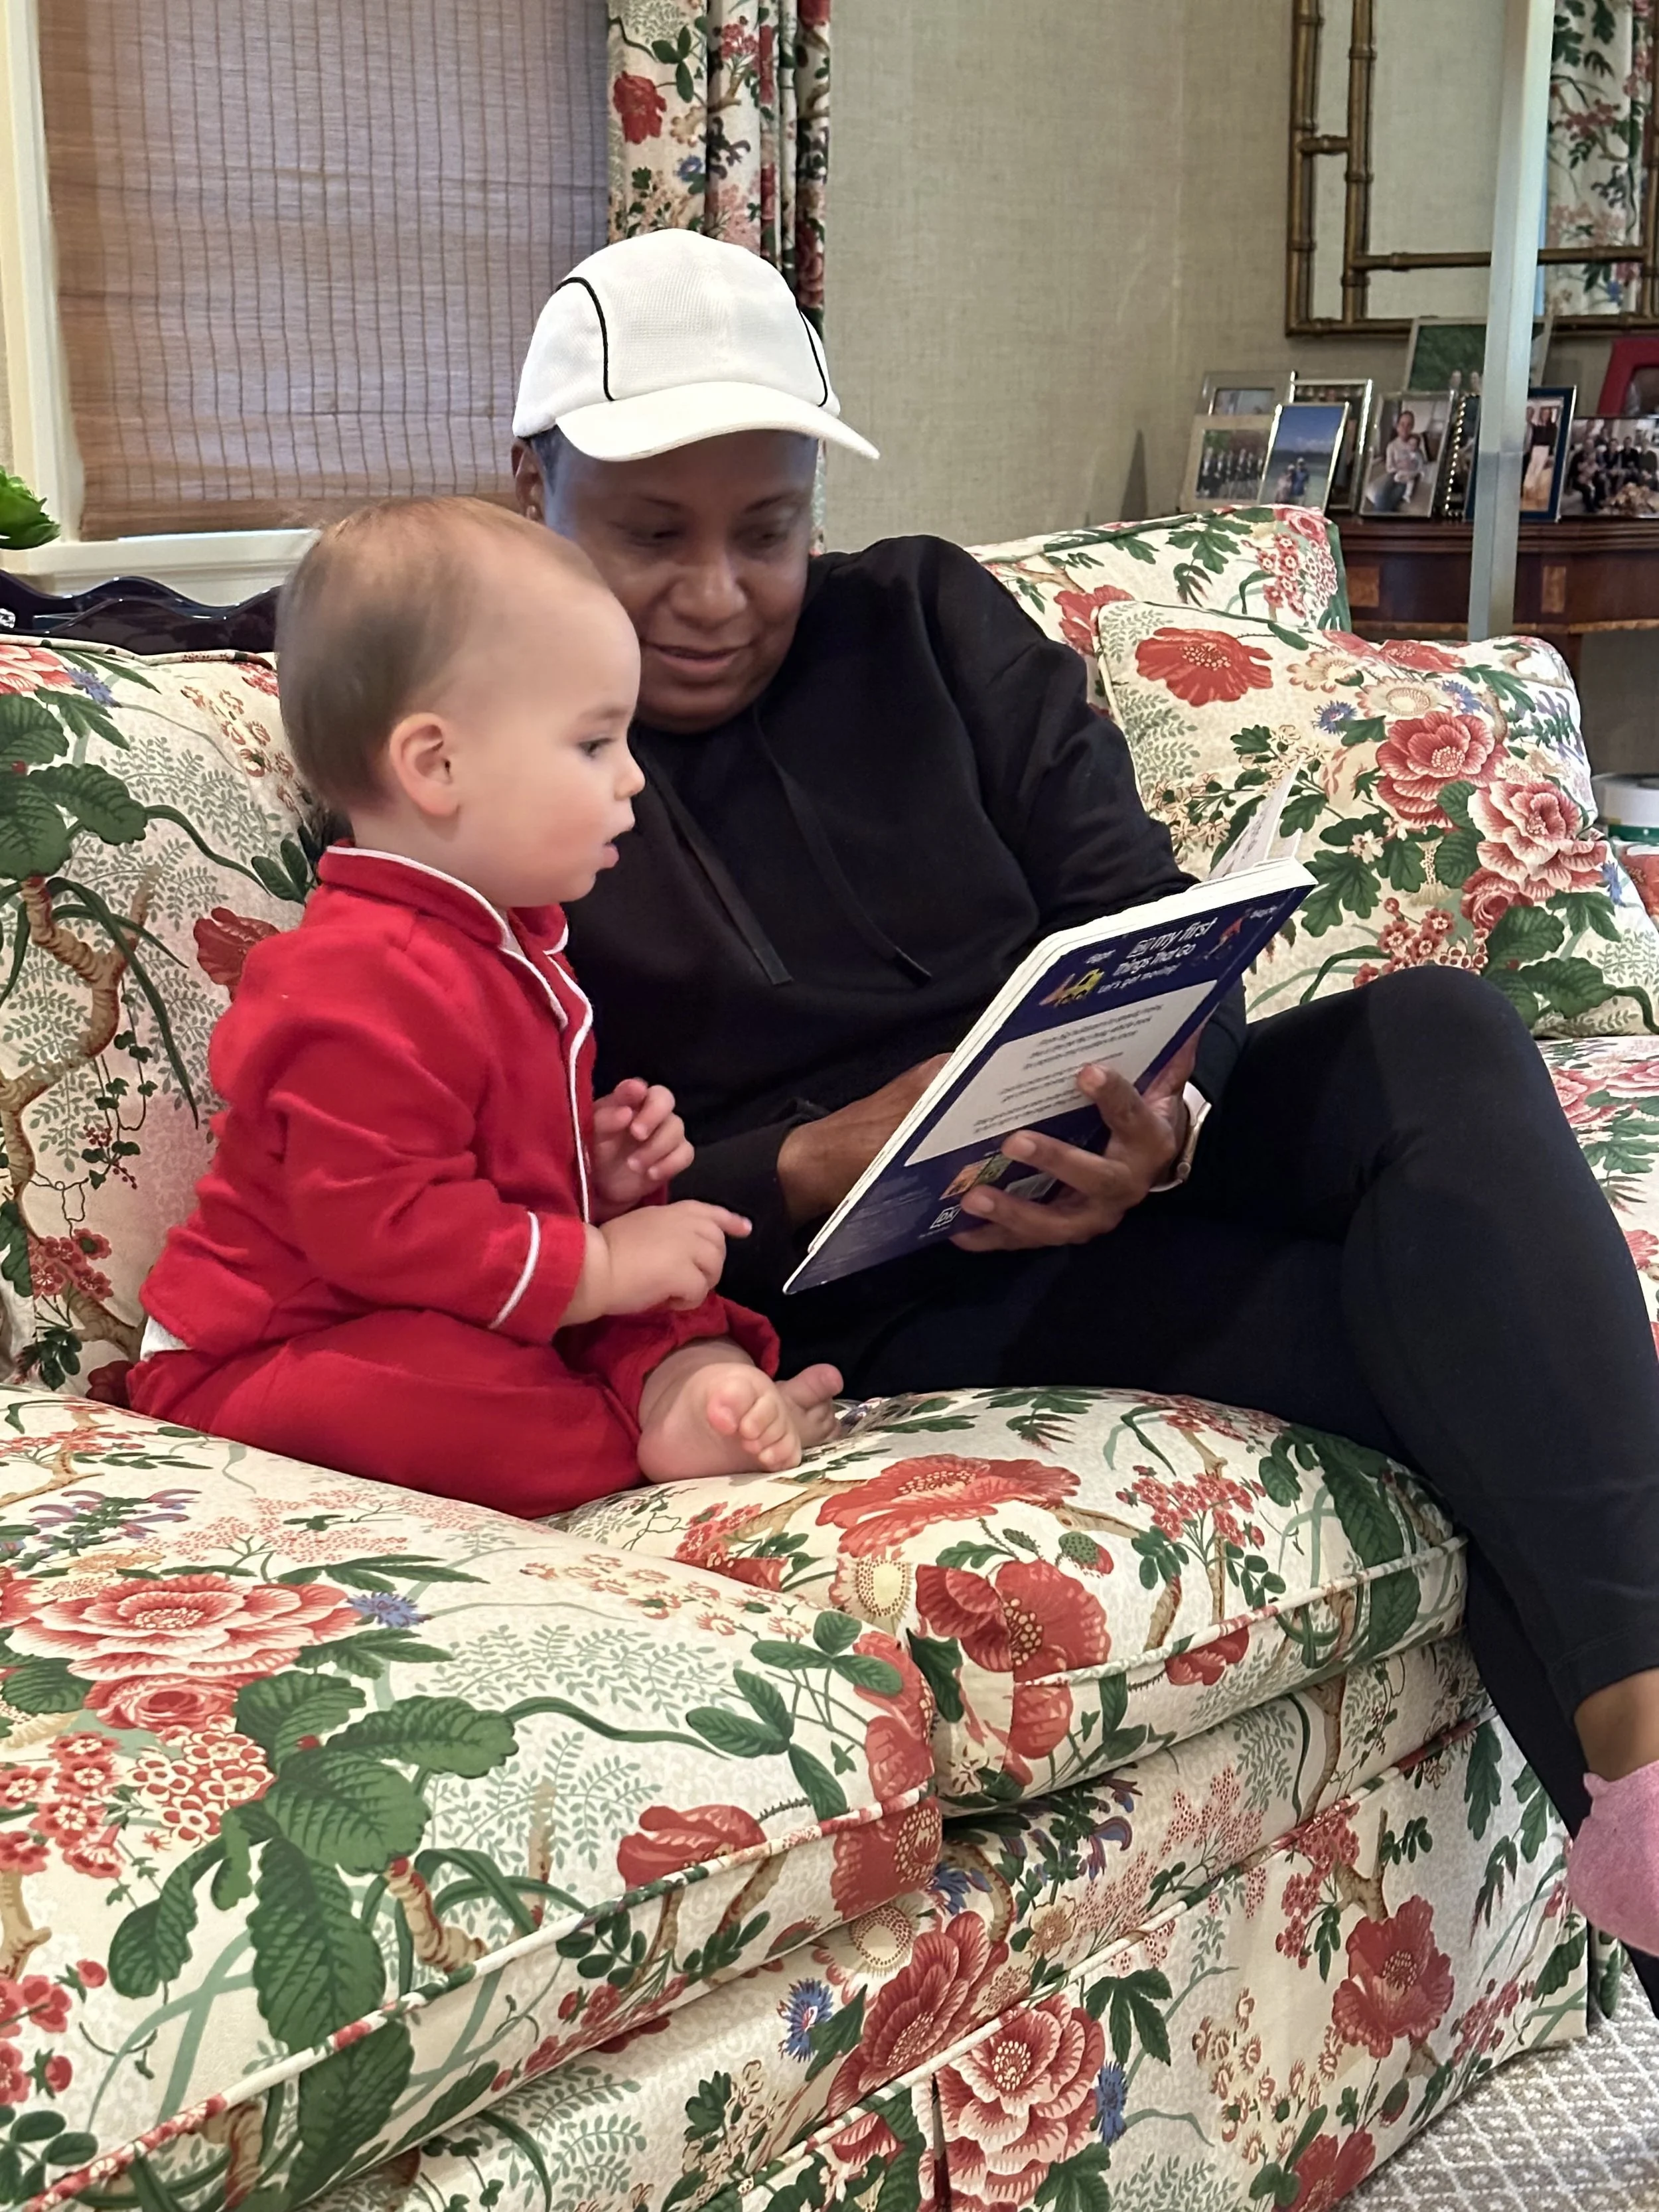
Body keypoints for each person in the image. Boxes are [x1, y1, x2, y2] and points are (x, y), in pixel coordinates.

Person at [506, 229, 1659, 1981]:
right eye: (649, 533)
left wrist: (1163, 1120)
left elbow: (1138, 903)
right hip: (860, 1273)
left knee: (1431, 1029)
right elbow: (523, 1176)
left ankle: (1649, 1751)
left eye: (767, 529)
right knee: (1474, 1364)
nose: (718, 590)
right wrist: (816, 1155)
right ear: (536, 489)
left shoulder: (927, 619)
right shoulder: (482, 738)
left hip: (1103, 1139)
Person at [126, 497, 841, 1509]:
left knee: (668, 1295)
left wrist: (590, 1170)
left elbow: (467, 1173)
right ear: (438, 765)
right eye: (596, 744)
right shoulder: (354, 978)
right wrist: (593, 1265)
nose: (635, 778)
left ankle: (688, 1390)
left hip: (458, 1294)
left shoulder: (503, 939)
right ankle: (634, 1427)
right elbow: (383, 1227)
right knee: (429, 1391)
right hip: (279, 1345)